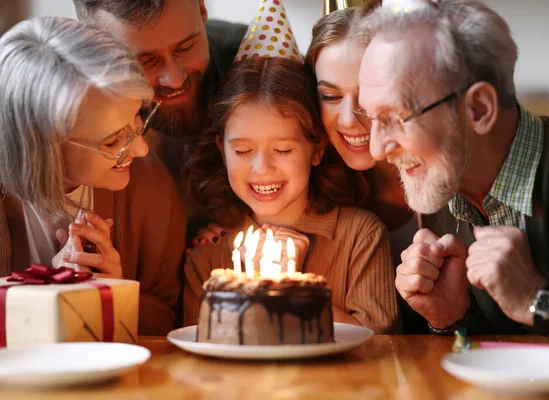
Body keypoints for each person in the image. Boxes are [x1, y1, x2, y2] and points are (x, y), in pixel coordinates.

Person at [358, 0, 549, 348]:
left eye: (395, 118)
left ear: (479, 109)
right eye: (371, 118)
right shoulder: (444, 185)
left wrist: (537, 299)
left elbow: (534, 311)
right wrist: (455, 316)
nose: (377, 150)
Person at [183, 57, 399, 334]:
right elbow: (196, 351)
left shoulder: (360, 237)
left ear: (317, 149)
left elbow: (382, 345)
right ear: (222, 150)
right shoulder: (208, 255)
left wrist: (290, 289)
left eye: (283, 150)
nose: (261, 168)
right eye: (242, 151)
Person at [0, 17, 186, 335]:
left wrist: (115, 293)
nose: (140, 149)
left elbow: (167, 321)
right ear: (42, 146)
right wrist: (42, 292)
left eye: (138, 118)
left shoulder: (150, 183)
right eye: (113, 140)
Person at [72, 0, 247, 186]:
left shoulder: (262, 58)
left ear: (202, 9)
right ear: (94, 46)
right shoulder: (66, 110)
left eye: (185, 48)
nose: (175, 80)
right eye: (146, 61)